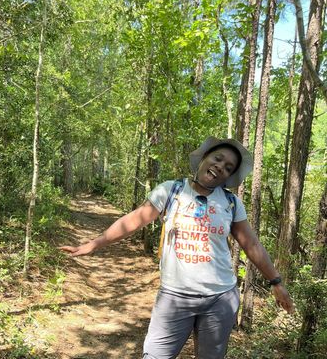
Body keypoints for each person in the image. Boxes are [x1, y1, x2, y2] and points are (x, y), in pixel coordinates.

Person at [61, 136, 294, 359]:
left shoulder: (231, 203)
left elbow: (251, 244)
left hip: (220, 299)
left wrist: (276, 282)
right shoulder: (172, 190)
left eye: (228, 167)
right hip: (174, 297)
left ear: (229, 177)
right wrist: (95, 243)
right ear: (204, 158)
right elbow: (134, 220)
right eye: (218, 158)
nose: (220, 166)